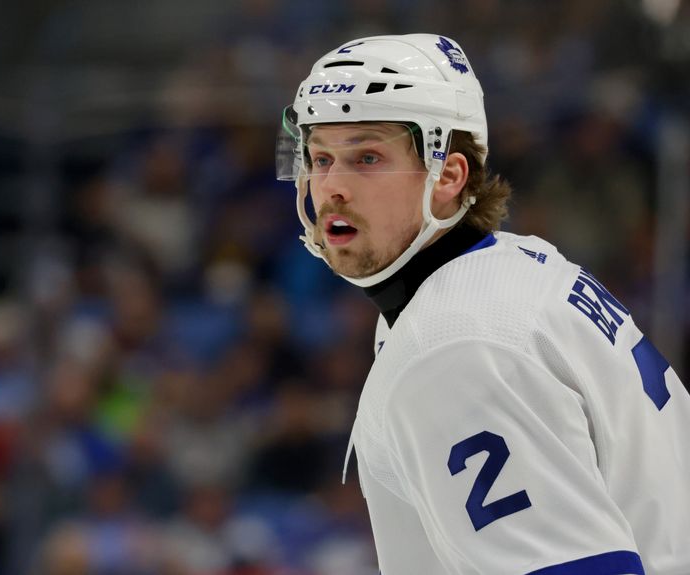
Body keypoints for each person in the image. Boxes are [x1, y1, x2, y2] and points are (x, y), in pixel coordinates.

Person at [275, 34, 690, 575]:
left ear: (447, 176)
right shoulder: (511, 266)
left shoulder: (454, 342)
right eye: (321, 157)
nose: (332, 187)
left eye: (367, 157)